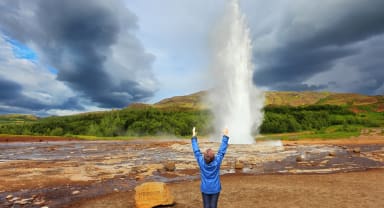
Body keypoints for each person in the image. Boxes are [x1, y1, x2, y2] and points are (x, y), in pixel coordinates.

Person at [191, 127, 229, 208]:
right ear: (213, 157)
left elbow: (196, 151)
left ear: (204, 157)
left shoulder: (201, 161)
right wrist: (225, 136)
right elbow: (221, 152)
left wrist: (194, 136)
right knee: (213, 206)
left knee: (206, 206)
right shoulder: (217, 162)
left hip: (205, 188)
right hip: (215, 188)